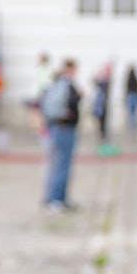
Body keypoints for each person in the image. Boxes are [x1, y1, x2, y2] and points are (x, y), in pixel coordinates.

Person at [44, 58, 81, 211]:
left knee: (55, 164)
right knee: (63, 165)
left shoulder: (54, 84)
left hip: (55, 126)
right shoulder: (68, 85)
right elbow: (73, 102)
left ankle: (55, 197)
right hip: (66, 128)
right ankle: (57, 199)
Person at [92, 62, 112, 143]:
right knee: (101, 121)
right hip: (100, 104)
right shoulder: (102, 80)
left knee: (104, 121)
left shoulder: (106, 81)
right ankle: (102, 135)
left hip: (103, 104)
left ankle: (104, 136)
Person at [125, 66, 137, 134]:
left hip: (131, 97)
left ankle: (132, 128)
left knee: (131, 115)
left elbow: (127, 90)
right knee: (134, 115)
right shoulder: (136, 79)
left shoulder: (129, 79)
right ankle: (134, 128)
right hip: (134, 97)